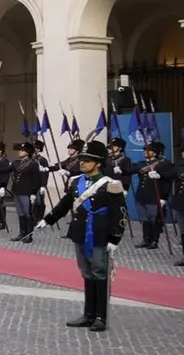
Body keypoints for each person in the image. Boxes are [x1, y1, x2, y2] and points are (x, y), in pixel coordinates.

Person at [35, 140, 127, 332]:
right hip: (80, 233)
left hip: (99, 235)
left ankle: (101, 316)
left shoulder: (111, 184)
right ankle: (88, 314)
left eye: (87, 160)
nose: (82, 163)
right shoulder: (77, 182)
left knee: (100, 274)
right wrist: (49, 219)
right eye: (81, 160)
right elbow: (65, 203)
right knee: (87, 274)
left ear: (98, 162)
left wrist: (115, 239)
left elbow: (120, 213)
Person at [130, 140, 174, 250]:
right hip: (142, 195)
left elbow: (168, 181)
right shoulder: (143, 163)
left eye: (148, 150)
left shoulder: (165, 164)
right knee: (144, 218)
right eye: (145, 150)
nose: (145, 152)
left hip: (155, 196)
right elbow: (129, 170)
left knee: (154, 219)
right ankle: (146, 239)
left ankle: (154, 241)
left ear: (156, 153)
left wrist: (164, 197)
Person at [0, 142, 40, 243]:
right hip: (17, 191)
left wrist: (33, 193)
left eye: (22, 150)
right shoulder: (16, 163)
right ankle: (22, 233)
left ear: (27, 152)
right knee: (20, 213)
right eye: (20, 150)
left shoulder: (33, 164)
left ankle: (29, 235)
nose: (20, 152)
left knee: (28, 214)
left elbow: (36, 179)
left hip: (26, 192)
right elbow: (6, 169)